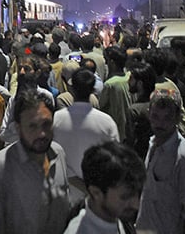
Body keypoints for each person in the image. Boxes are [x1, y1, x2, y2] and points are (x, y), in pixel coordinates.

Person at [0, 88, 70, 234]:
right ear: (18, 128)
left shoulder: (58, 154)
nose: (41, 133)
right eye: (32, 126)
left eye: (46, 124)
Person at [136, 89, 185, 234]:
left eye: (167, 118)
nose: (160, 123)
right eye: (155, 116)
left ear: (177, 118)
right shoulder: (152, 143)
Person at [53, 68, 119, 205]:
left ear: (71, 88)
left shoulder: (56, 119)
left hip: (64, 195)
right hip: (98, 197)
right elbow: (115, 161)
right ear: (92, 90)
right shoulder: (107, 122)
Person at [63, 141, 146, 234]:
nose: (136, 205)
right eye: (125, 197)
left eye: (137, 194)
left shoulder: (116, 217)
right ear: (96, 193)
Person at [99, 46, 133, 141]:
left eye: (107, 60)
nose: (105, 63)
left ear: (112, 62)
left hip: (117, 130)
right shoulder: (129, 77)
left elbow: (101, 106)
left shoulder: (110, 84)